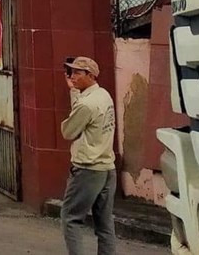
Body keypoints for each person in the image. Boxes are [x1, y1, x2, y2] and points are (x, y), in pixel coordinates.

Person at [60, 56, 117, 255]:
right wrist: (74, 90)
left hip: (88, 168)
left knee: (71, 218)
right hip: (107, 166)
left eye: (77, 72)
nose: (72, 76)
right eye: (71, 71)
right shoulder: (104, 95)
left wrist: (74, 94)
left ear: (91, 75)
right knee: (105, 223)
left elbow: (68, 132)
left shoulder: (86, 105)